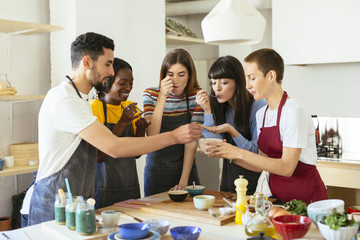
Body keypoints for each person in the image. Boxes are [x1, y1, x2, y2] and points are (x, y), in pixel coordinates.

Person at [20, 32, 201, 227]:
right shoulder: (65, 100)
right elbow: (114, 147)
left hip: (75, 204)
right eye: (108, 64)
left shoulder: (81, 99)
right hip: (50, 204)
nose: (111, 71)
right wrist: (174, 136)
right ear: (87, 62)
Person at [206, 48, 327, 204]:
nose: (247, 85)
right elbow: (262, 163)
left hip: (305, 198)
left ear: (271, 75)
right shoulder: (262, 113)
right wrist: (229, 155)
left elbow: (286, 168)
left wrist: (238, 152)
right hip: (275, 199)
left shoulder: (293, 111)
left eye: (252, 78)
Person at [195, 56, 267, 195]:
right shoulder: (222, 107)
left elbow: (256, 153)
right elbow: (214, 146)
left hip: (255, 186)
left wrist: (232, 131)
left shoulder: (258, 106)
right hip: (228, 184)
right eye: (213, 83)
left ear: (238, 82)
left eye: (224, 82)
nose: (217, 88)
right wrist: (207, 110)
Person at [142, 48, 204, 196]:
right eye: (170, 75)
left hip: (186, 171)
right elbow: (152, 134)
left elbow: (191, 142)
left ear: (189, 75)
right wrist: (163, 95)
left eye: (181, 74)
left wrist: (183, 181)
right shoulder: (150, 94)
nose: (175, 80)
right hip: (156, 172)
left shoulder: (197, 96)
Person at [90, 58, 148, 209]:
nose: (128, 88)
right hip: (103, 189)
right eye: (122, 83)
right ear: (107, 82)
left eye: (131, 83)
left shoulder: (128, 107)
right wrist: (122, 122)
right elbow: (99, 156)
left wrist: (141, 129)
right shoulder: (94, 107)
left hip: (130, 187)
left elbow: (136, 154)